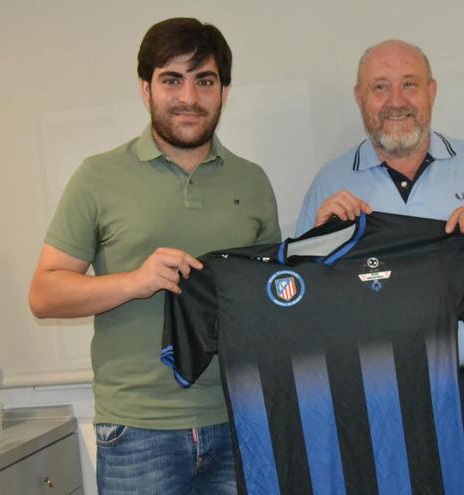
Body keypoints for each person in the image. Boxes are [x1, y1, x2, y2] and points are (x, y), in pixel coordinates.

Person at [295, 39, 464, 494]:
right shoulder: (330, 184)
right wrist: (315, 243)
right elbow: (297, 309)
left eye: (409, 85)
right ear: (360, 97)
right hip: (381, 395)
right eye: (380, 87)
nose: (396, 100)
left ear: (432, 92)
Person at [28, 18, 280, 494]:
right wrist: (135, 281)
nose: (189, 97)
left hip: (238, 421)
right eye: (172, 79)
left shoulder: (253, 182)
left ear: (224, 91)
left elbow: (270, 297)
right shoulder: (97, 177)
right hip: (138, 431)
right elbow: (44, 293)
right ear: (146, 89)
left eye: (204, 80)